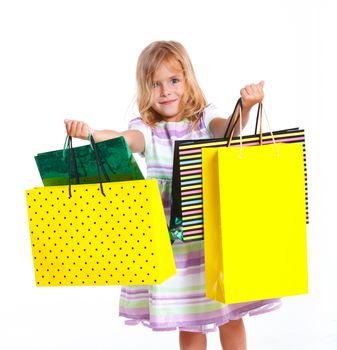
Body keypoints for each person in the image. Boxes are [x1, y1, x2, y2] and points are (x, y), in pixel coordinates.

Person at [65, 40, 281, 350]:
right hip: (177, 245)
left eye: (174, 80)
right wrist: (91, 134)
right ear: (145, 89)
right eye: (156, 84)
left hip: (213, 234)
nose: (166, 91)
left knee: (232, 315)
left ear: (187, 81)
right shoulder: (148, 129)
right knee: (191, 319)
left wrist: (244, 107)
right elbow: (125, 141)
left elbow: (229, 131)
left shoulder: (205, 118)